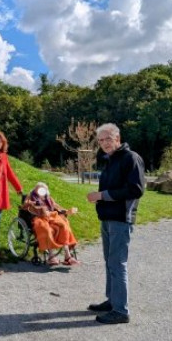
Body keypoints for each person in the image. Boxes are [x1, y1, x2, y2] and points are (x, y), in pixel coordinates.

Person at [86, 123, 145, 325]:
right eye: (101, 140)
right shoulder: (110, 160)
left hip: (121, 218)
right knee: (110, 262)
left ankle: (121, 310)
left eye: (108, 139)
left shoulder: (131, 158)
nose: (104, 144)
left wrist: (102, 195)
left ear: (118, 139)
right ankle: (113, 301)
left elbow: (136, 190)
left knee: (117, 264)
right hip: (107, 217)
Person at [23, 182, 79, 266]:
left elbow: (57, 207)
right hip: (38, 218)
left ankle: (67, 255)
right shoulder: (30, 196)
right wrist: (32, 204)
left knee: (63, 226)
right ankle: (51, 256)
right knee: (46, 229)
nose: (41, 191)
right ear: (35, 189)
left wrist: (67, 211)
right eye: (38, 188)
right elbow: (25, 206)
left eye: (43, 189)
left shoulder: (49, 198)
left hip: (51, 217)